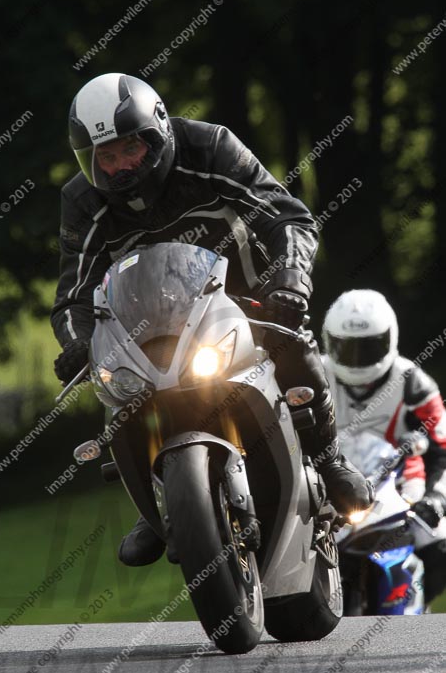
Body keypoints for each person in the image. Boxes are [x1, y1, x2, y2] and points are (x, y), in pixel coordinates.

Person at [51, 72, 372, 566]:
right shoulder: (81, 202)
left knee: (293, 348)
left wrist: (289, 279)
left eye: (129, 150)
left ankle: (329, 459)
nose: (119, 168)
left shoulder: (211, 148)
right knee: (114, 379)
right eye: (106, 158)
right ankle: (158, 499)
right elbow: (73, 294)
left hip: (249, 301)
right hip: (150, 326)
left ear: (157, 134)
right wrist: (78, 342)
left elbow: (288, 216)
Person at [322, 289, 446, 603]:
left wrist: (436, 497)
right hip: (327, 487)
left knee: (441, 544)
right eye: (347, 348)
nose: (357, 359)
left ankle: (417, 612)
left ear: (390, 339)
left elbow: (443, 448)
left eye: (368, 348)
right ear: (328, 340)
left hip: (403, 489)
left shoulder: (414, 384)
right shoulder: (313, 376)